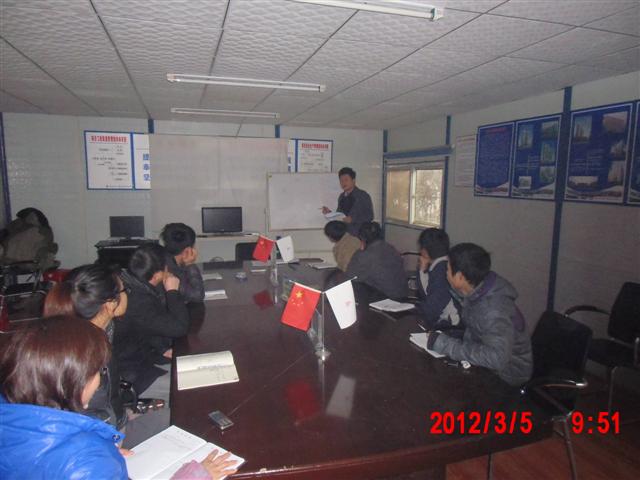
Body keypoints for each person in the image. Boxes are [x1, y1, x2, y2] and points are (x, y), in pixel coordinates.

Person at [0, 316, 238, 480]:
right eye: (98, 371)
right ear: (77, 380)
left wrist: (102, 451)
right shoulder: (85, 462)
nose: (100, 381)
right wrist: (196, 475)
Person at [426, 243, 533, 386]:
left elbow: (496, 358)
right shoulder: (477, 287)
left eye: (448, 269)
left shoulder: (493, 310)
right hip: (483, 356)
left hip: (505, 376)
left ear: (460, 277)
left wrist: (446, 345)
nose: (445, 272)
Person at [43, 264, 130, 429]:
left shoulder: (100, 329)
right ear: (110, 304)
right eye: (125, 291)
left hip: (114, 418)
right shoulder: (82, 353)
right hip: (99, 433)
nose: (128, 295)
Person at [113, 244, 190, 398]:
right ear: (158, 275)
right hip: (130, 372)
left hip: (143, 355)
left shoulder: (131, 282)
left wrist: (161, 348)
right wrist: (172, 291)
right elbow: (179, 328)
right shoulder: (137, 299)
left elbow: (147, 324)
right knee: (189, 388)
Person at [346, 221, 407, 300]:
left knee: (355, 285)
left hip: (386, 298)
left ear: (362, 239)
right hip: (402, 294)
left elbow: (350, 277)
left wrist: (360, 251)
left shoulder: (366, 255)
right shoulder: (389, 247)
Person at [416, 228, 460, 330]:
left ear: (425, 251)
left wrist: (421, 270)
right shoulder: (443, 264)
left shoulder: (441, 270)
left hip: (450, 324)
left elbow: (431, 307)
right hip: (447, 319)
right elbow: (430, 292)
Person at [321, 167, 374, 236]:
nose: (343, 183)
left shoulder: (363, 195)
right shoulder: (341, 196)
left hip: (359, 235)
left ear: (353, 180)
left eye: (346, 180)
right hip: (344, 234)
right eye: (341, 181)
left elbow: (370, 216)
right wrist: (330, 213)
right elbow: (340, 216)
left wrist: (352, 219)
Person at [160, 223, 205, 303]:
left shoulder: (164, 257)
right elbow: (198, 295)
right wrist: (190, 264)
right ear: (188, 250)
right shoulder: (169, 271)